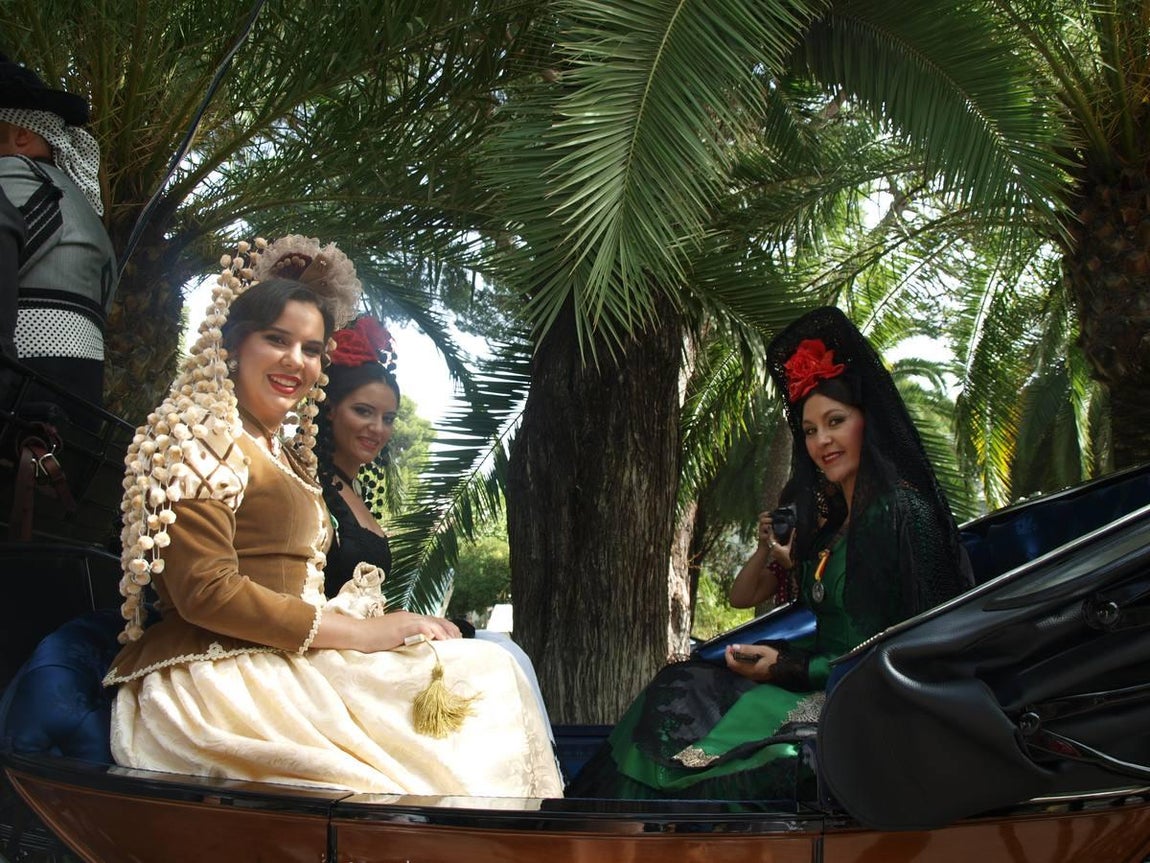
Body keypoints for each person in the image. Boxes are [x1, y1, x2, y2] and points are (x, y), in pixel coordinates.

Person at [102, 236, 563, 798]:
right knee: (483, 675)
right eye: (278, 340)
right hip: (220, 673)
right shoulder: (197, 436)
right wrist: (364, 634)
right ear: (233, 344)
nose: (296, 361)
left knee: (488, 667)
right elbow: (205, 593)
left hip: (281, 656)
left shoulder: (280, 453)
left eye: (312, 348)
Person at [568, 306, 973, 800]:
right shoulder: (834, 529)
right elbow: (748, 597)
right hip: (821, 682)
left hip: (868, 703)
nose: (822, 440)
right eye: (808, 430)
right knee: (679, 686)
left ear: (868, 422)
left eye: (835, 421)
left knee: (711, 748)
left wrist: (787, 667)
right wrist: (779, 647)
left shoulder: (902, 514)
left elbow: (901, 645)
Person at [315, 314, 555, 740]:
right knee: (495, 661)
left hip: (366, 641)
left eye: (389, 418)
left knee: (501, 646)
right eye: (363, 411)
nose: (378, 429)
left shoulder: (349, 491)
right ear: (329, 410)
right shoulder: (312, 489)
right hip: (338, 654)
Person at [0, 55, 116, 409]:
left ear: (21, 135)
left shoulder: (11, 174)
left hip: (18, 403)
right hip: (77, 424)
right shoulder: (84, 212)